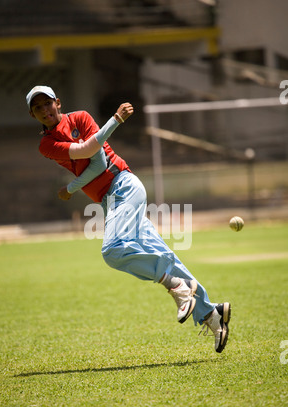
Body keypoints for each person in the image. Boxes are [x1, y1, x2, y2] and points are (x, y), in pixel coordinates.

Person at [26, 85, 231, 353]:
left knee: (112, 251)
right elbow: (89, 154)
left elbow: (97, 160)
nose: (44, 110)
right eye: (37, 108)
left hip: (124, 186)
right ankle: (212, 315)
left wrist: (71, 187)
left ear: (58, 103)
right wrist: (73, 186)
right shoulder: (47, 144)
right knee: (165, 256)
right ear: (33, 115)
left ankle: (177, 287)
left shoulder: (81, 118)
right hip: (111, 201)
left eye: (47, 103)